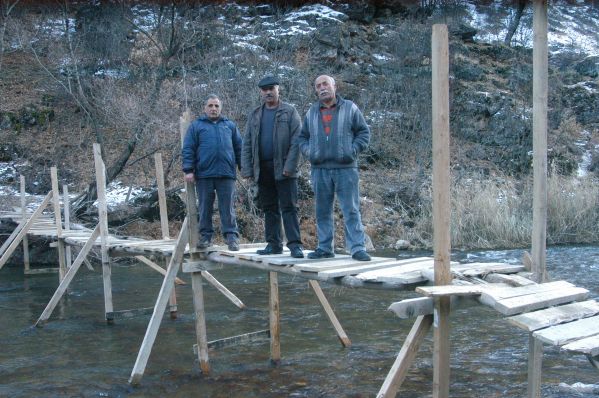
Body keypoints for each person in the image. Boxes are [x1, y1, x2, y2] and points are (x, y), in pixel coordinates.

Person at [297, 75, 371, 261]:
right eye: (318, 85)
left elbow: (364, 132)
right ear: (315, 90)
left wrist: (352, 150)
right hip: (319, 169)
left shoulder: (350, 108)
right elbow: (302, 137)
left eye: (325, 84)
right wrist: (310, 152)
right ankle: (324, 248)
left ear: (334, 87)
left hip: (346, 168)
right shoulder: (311, 112)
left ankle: (357, 248)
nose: (322, 88)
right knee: (322, 210)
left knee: (351, 209)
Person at [241, 75, 304, 258]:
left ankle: (294, 246)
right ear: (261, 92)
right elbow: (247, 143)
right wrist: (247, 169)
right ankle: (273, 244)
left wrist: (290, 166)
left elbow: (297, 140)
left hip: (285, 168)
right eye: (265, 89)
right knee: (269, 208)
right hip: (262, 168)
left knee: (289, 207)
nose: (268, 92)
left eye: (272, 89)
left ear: (278, 89)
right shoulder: (255, 114)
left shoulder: (290, 112)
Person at [182, 94, 242, 251]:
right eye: (210, 105)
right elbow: (188, 149)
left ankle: (231, 238)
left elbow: (240, 148)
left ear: (220, 108)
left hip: (226, 174)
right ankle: (206, 238)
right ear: (205, 108)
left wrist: (244, 168)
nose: (213, 108)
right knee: (204, 207)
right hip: (204, 174)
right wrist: (188, 170)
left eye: (216, 106)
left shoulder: (229, 125)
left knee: (227, 207)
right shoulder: (196, 126)